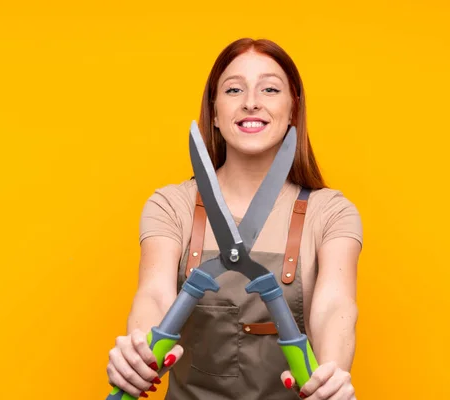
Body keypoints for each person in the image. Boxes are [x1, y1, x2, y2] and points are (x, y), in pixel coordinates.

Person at [106, 38, 363, 400]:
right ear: (213, 111)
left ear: (293, 110)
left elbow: (335, 307)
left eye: (270, 89)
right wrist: (136, 353)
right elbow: (154, 295)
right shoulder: (171, 205)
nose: (251, 102)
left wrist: (332, 376)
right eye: (234, 89)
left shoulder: (331, 212)